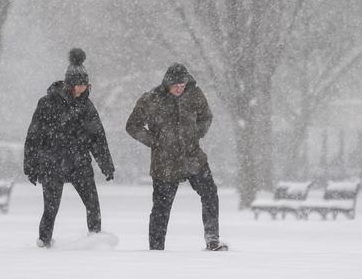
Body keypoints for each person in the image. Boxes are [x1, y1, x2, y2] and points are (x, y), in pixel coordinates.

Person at [126, 63, 227, 251]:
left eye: (183, 83)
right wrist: (154, 141)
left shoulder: (195, 94)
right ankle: (156, 249)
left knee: (210, 194)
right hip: (164, 162)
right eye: (176, 85)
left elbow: (206, 117)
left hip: (193, 157)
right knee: (161, 208)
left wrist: (197, 132)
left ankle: (212, 239)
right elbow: (132, 125)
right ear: (167, 83)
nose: (180, 87)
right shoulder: (151, 99)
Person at [23, 48, 115, 248]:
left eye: (85, 85)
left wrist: (106, 164)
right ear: (69, 84)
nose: (82, 89)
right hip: (52, 164)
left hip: (79, 163)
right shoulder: (47, 103)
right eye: (79, 85)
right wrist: (30, 165)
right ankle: (44, 242)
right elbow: (34, 136)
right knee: (51, 208)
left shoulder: (87, 107)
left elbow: (97, 138)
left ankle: (96, 240)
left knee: (93, 205)